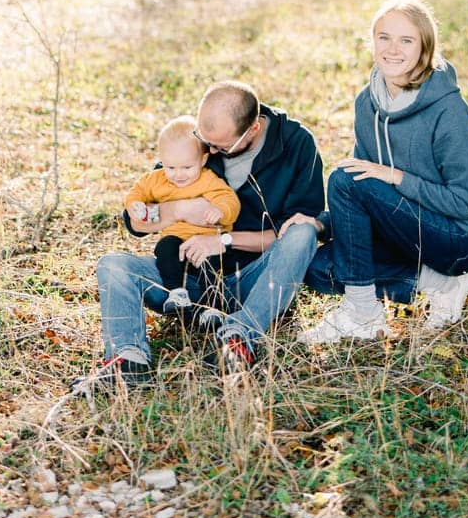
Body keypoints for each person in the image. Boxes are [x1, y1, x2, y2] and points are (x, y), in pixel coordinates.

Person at [76, 81, 324, 393]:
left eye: (220, 148)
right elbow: (137, 222)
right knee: (113, 265)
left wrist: (223, 240)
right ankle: (128, 358)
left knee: (303, 234)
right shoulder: (199, 143)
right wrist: (179, 208)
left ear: (253, 130)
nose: (210, 151)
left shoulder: (296, 144)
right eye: (204, 142)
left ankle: (239, 336)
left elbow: (292, 235)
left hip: (253, 279)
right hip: (185, 277)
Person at [286, 0, 468, 344]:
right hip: (406, 231)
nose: (393, 49)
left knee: (343, 179)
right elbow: (364, 194)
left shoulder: (449, 111)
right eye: (384, 37)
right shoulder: (366, 103)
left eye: (406, 40)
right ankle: (436, 283)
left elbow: (462, 203)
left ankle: (362, 315)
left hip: (457, 238)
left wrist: (396, 177)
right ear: (372, 42)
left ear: (425, 48)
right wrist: (319, 223)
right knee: (317, 266)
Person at [123, 115, 242, 323]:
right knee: (164, 249)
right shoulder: (156, 179)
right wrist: (135, 205)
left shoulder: (208, 179)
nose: (178, 175)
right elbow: (137, 192)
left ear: (203, 160)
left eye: (187, 168)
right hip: (176, 237)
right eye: (170, 167)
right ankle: (177, 293)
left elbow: (229, 199)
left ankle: (213, 305)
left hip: (206, 239)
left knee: (212, 264)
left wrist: (221, 211)